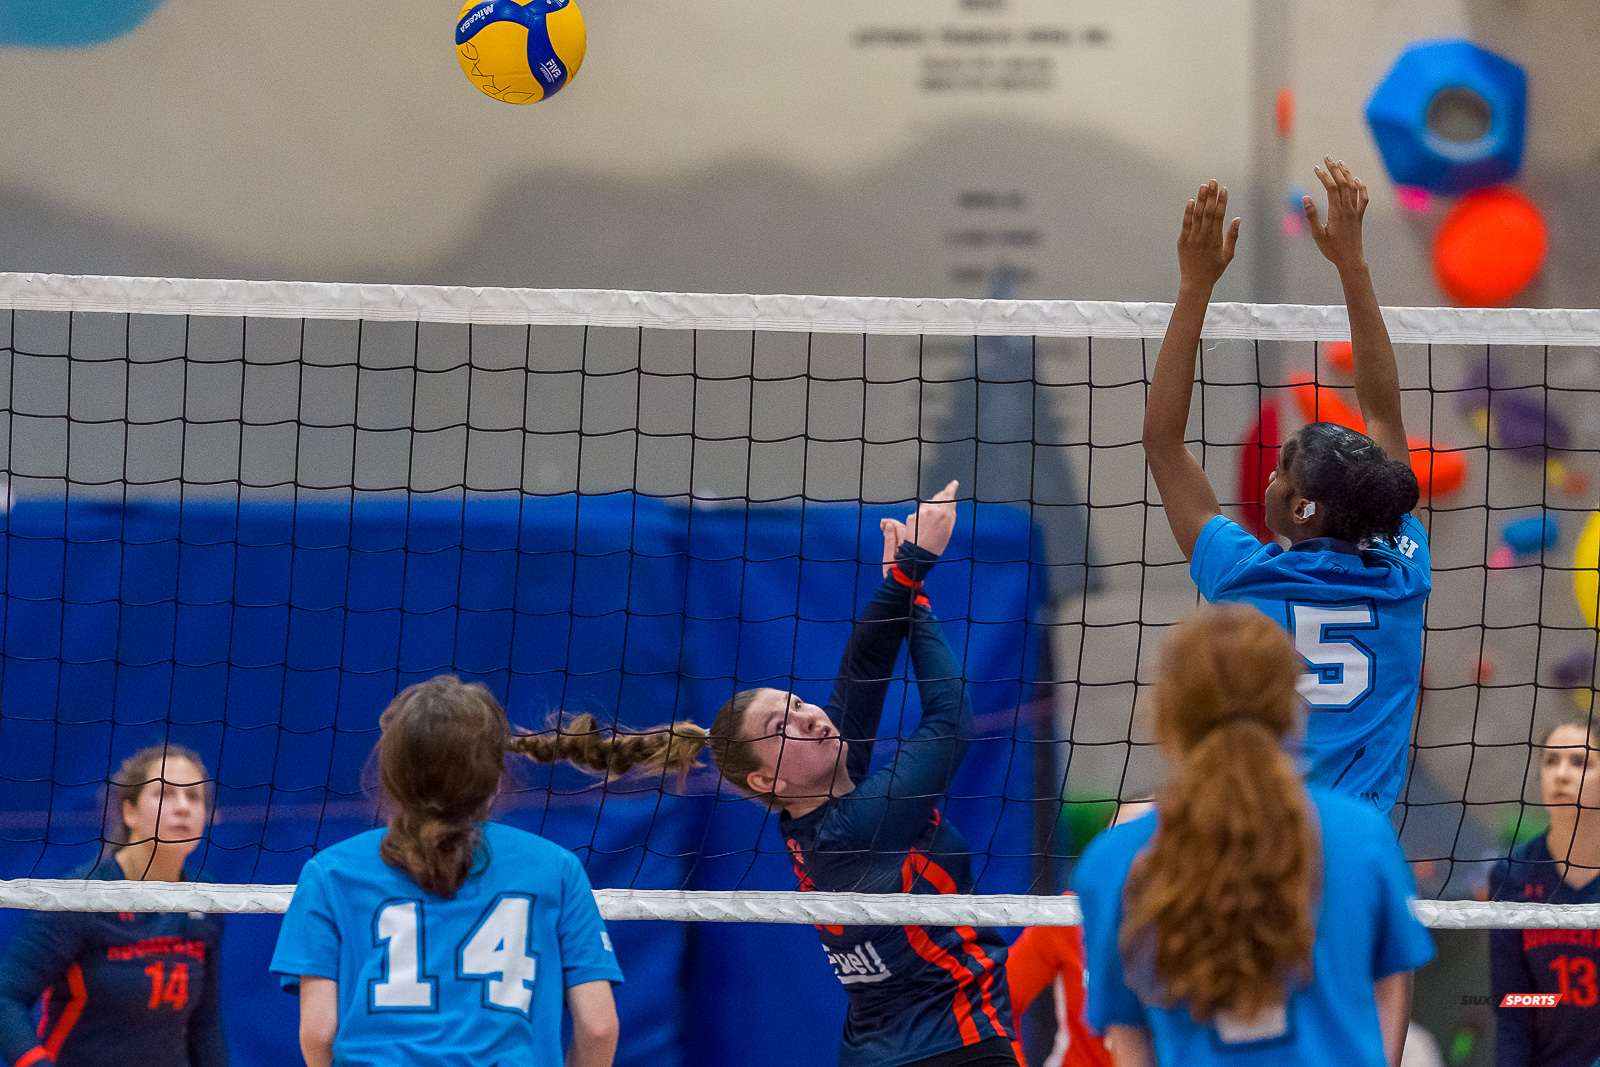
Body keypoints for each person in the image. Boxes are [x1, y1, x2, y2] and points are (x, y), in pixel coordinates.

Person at [1141, 160, 1428, 813]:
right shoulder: (1403, 570)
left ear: (1302, 507)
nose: (1267, 480)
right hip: (1359, 840)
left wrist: (1194, 286)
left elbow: (1162, 442)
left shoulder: (1245, 576)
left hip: (1266, 837)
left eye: (1278, 472)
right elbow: (1384, 414)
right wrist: (1353, 264)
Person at [1074, 604, 1434, 1067]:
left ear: (1166, 721)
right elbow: (1390, 985)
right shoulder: (1362, 836)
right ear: (1293, 712)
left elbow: (1129, 1037)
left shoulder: (1113, 861)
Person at [269, 677, 626, 1067]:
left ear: (392, 773)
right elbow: (599, 1028)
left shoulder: (329, 872)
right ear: (493, 776)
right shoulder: (555, 868)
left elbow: (318, 1033)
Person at [0, 744, 227, 1067]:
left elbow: (205, 1023)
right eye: (164, 793)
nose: (182, 807)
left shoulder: (205, 898)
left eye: (193, 796)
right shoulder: (81, 898)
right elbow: (6, 999)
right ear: (129, 811)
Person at [1488, 715, 1600, 1067]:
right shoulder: (1512, 875)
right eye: (1551, 761)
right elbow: (1514, 1008)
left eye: (1580, 762)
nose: (1561, 774)